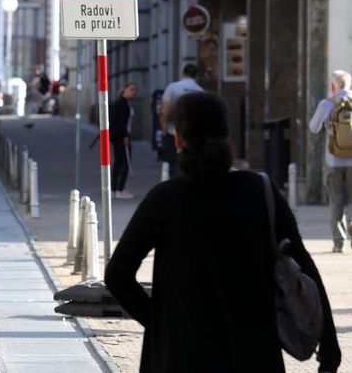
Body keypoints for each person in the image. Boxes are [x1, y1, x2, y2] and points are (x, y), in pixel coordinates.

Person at [105, 92, 340, 373]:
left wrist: (161, 322)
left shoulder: (164, 199)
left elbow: (117, 275)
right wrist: (329, 345)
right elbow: (304, 265)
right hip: (253, 354)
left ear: (178, 139)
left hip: (180, 356)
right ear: (228, 135)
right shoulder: (259, 192)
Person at [309, 70, 352, 253]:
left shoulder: (326, 104)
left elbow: (313, 128)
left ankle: (338, 242)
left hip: (333, 161)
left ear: (332, 86)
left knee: (336, 201)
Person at [159, 64, 203, 177]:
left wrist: (164, 127)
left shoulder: (172, 87)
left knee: (173, 161)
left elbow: (164, 110)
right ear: (196, 76)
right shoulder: (200, 91)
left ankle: (175, 185)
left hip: (173, 130)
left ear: (183, 74)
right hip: (194, 131)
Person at [111, 83, 137, 199]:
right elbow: (122, 122)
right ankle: (119, 189)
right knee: (125, 163)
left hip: (118, 136)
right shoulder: (122, 103)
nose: (134, 92)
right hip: (121, 136)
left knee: (118, 162)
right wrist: (125, 136)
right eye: (131, 89)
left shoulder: (123, 102)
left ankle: (114, 189)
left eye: (135, 90)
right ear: (125, 89)